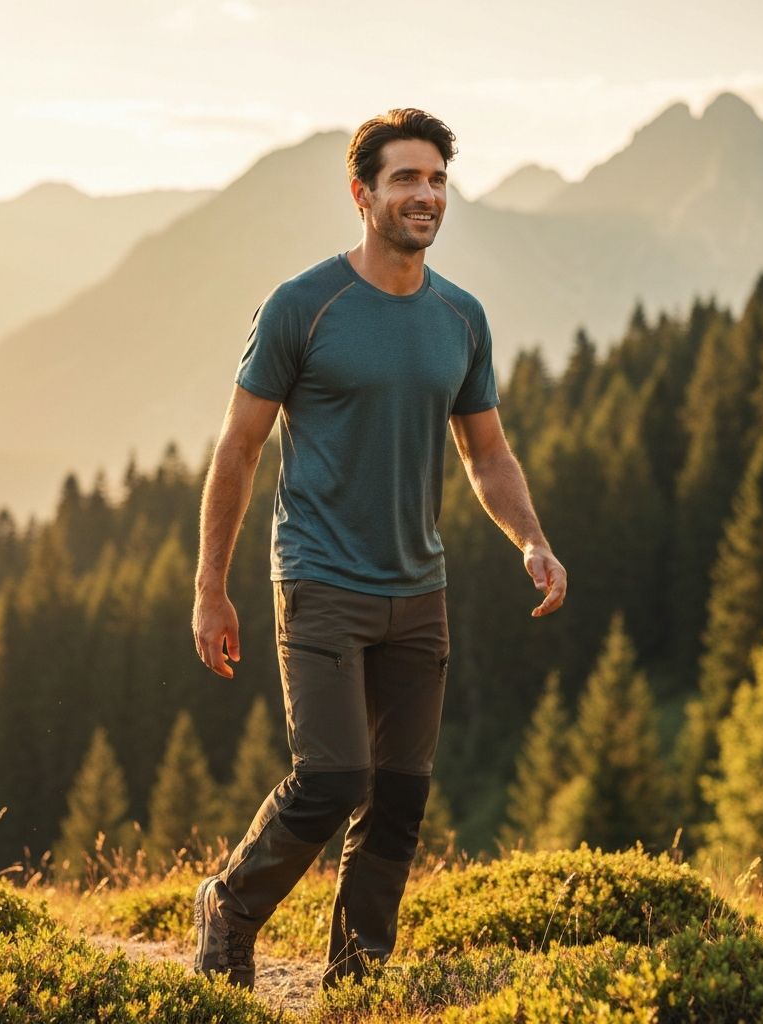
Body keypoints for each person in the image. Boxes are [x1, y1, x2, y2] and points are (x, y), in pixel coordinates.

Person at [191, 108, 567, 991]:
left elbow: (486, 451)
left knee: (398, 798)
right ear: (362, 195)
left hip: (419, 589)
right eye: (405, 179)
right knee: (332, 778)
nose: (425, 195)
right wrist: (211, 588)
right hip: (318, 579)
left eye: (436, 179)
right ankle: (229, 909)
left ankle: (358, 983)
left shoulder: (460, 318)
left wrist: (532, 541)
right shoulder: (301, 306)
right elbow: (238, 449)